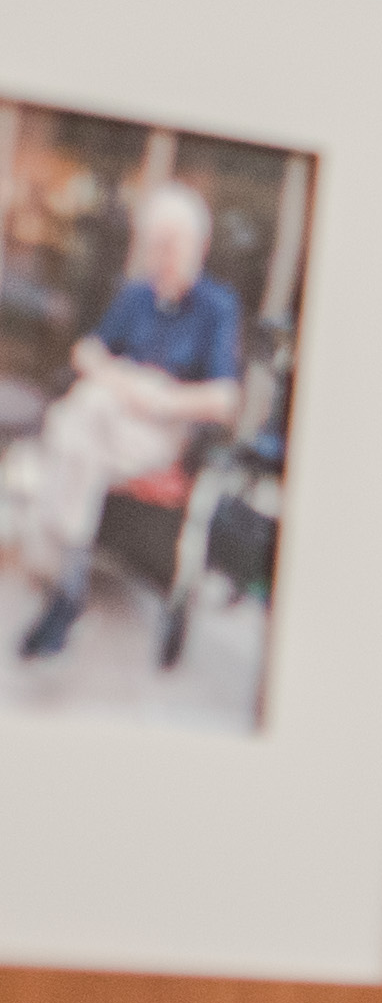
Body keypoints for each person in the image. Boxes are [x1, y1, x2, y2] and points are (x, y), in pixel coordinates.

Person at [12, 177, 248, 664]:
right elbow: (88, 349)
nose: (160, 254)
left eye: (170, 243)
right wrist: (120, 380)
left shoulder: (216, 307)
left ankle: (63, 585)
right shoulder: (137, 295)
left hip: (160, 431)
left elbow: (225, 398)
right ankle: (65, 593)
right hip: (110, 418)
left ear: (197, 247)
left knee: (71, 426)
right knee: (85, 421)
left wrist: (159, 399)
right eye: (154, 243)